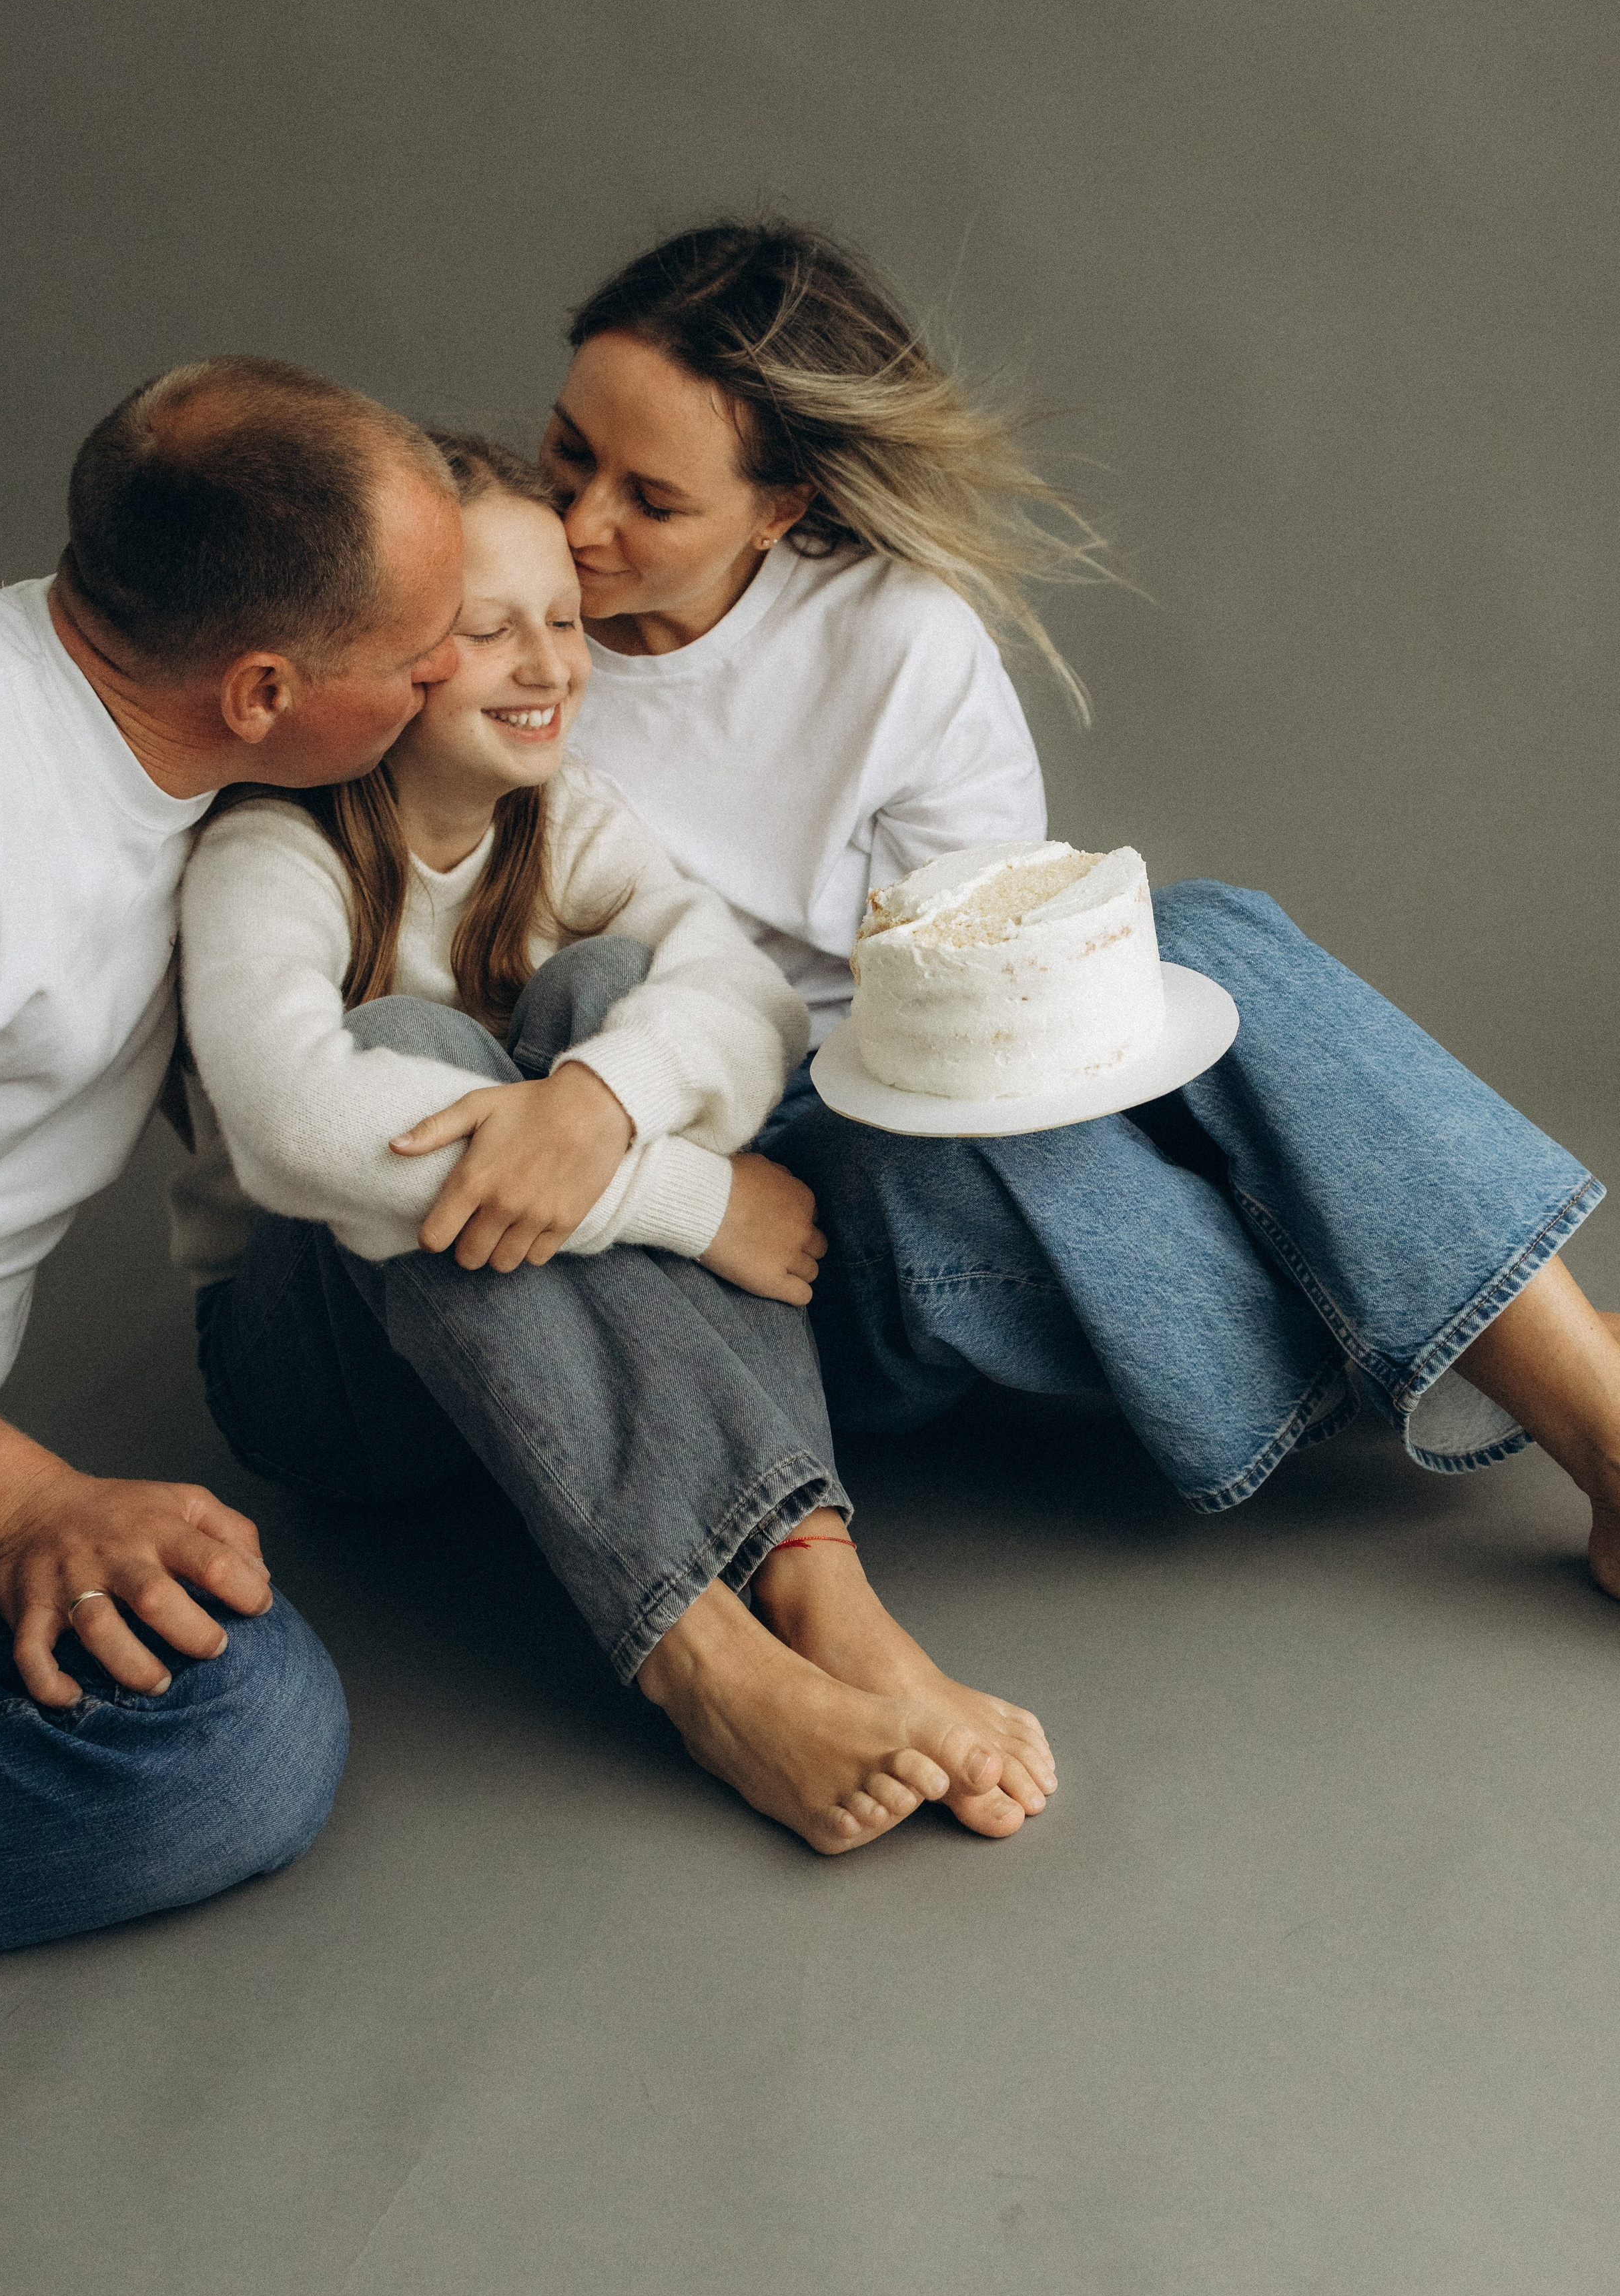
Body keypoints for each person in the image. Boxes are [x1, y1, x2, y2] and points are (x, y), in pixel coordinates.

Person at [549, 220, 1620, 1583]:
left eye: (651, 499)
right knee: (982, 1174)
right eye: (568, 452)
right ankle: (1544, 1343)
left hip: (916, 1080)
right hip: (729, 1194)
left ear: (782, 505)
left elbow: (987, 984)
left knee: (1207, 937)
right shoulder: (495, 638)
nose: (580, 522)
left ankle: (1589, 1422)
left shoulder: (892, 637)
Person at [176, 433, 1056, 1856]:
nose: (547, 664)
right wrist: (680, 1198)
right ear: (391, 652)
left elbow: (747, 998)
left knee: (610, 1005)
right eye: (486, 632)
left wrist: (593, 1113)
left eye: (565, 624)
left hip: (531, 1358)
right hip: (328, 1383)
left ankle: (822, 1588)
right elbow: (291, 1137)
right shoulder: (272, 853)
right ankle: (702, 1663)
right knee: (417, 1053)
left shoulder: (562, 817)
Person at [0, 354, 478, 1958]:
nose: (443, 679)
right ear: (261, 691)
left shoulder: (181, 772)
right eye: (418, 655)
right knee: (229, 1747)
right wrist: (30, 1508)